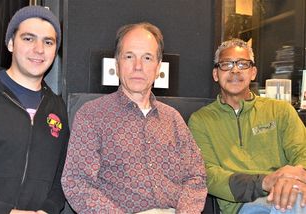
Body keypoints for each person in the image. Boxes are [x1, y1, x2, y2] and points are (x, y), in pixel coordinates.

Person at [61, 22, 207, 213]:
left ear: (158, 67)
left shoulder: (173, 119)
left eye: (147, 58)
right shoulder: (92, 116)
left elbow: (196, 176)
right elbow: (77, 182)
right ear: (117, 63)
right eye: (129, 56)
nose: (138, 66)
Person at [0, 6, 70, 214]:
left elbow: (62, 176)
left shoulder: (57, 109)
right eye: (28, 38)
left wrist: (47, 210)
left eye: (48, 42)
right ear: (10, 43)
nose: (39, 49)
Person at [188, 38, 306, 214]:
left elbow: (302, 153)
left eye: (243, 64)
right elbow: (208, 176)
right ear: (215, 74)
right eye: (226, 64)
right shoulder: (201, 121)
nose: (235, 70)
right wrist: (265, 182)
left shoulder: (281, 111)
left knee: (294, 203)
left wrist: (294, 177)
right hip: (243, 205)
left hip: (290, 193)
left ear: (253, 72)